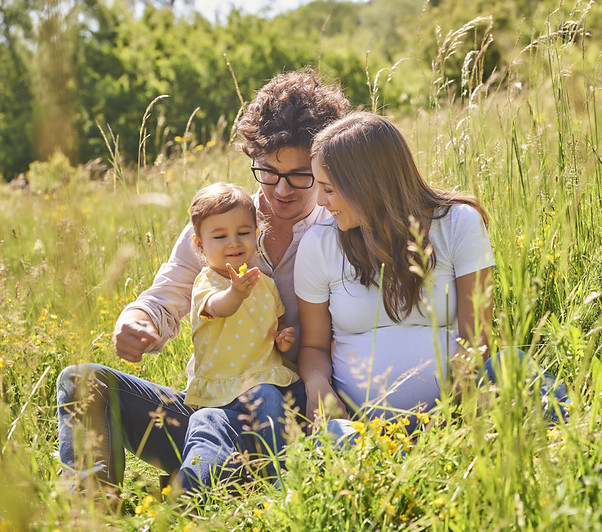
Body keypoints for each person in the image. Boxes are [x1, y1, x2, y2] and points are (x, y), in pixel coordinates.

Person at [56, 69, 350, 494]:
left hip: (285, 414)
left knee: (248, 419)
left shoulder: (337, 227)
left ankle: (230, 479)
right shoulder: (222, 221)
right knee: (82, 381)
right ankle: (91, 502)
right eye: (268, 171)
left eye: (301, 175)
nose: (282, 189)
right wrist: (139, 320)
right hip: (207, 409)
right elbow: (166, 295)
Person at [295, 112, 495, 425]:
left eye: (329, 189)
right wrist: (317, 384)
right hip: (362, 434)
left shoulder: (459, 223)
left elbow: (476, 336)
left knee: (513, 363)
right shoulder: (319, 245)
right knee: (336, 440)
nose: (320, 201)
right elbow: (313, 346)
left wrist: (450, 421)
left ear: (368, 185)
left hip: (458, 414)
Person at [184, 182, 298, 456]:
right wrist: (235, 293)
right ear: (200, 244)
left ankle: (309, 455)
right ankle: (280, 473)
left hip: (267, 375)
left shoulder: (265, 283)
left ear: (256, 234)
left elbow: (275, 326)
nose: (234, 242)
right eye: (220, 236)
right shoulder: (207, 283)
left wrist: (282, 339)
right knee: (267, 397)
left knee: (304, 392)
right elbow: (218, 307)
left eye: (243, 232)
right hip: (225, 386)